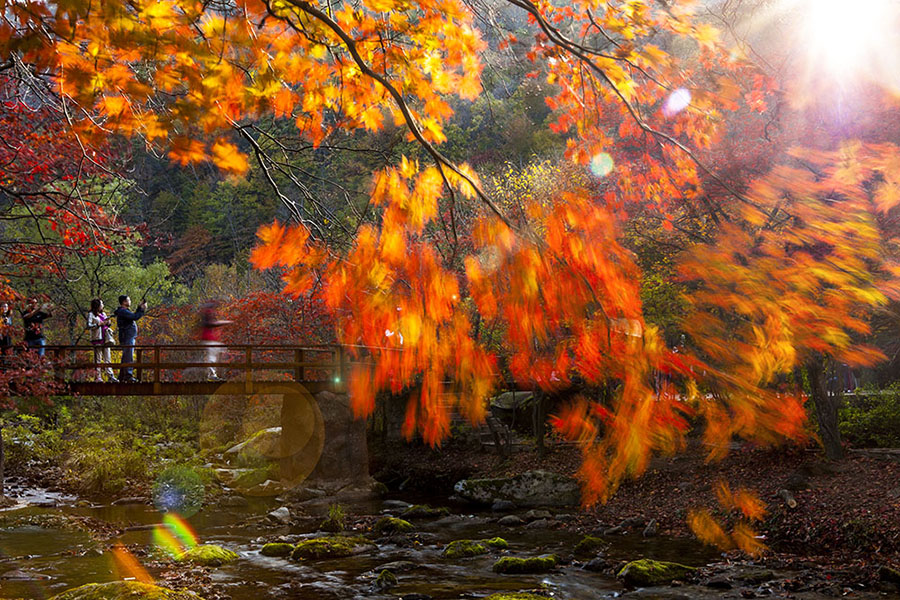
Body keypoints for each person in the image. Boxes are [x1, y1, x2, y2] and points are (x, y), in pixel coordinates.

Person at [114, 295, 146, 382]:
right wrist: (142, 310)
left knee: (126, 356)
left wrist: (140, 308)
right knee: (128, 355)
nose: (130, 301)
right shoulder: (123, 311)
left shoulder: (124, 311)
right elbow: (135, 317)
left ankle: (122, 376)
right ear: (124, 302)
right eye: (129, 300)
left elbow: (133, 315)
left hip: (128, 336)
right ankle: (128, 375)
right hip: (127, 336)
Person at [198, 301, 231, 381]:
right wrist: (224, 322)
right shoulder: (208, 312)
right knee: (213, 356)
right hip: (208, 339)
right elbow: (211, 324)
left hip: (209, 339)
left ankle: (213, 374)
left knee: (216, 353)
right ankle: (212, 375)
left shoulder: (207, 312)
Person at [87, 298, 117, 383]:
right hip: (97, 338)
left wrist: (108, 323)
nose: (103, 305)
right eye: (101, 304)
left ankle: (110, 376)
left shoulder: (103, 313)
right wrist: (98, 324)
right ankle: (98, 377)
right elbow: (88, 326)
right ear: (97, 305)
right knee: (98, 359)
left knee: (108, 358)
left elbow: (106, 323)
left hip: (106, 338)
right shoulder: (91, 314)